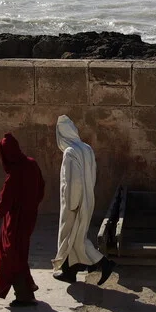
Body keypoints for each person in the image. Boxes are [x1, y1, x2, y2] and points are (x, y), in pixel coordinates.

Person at [0, 133, 46, 308]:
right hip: (29, 218)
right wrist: (31, 206)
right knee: (19, 253)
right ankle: (26, 289)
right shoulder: (32, 164)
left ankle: (24, 295)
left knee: (10, 257)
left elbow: (3, 203)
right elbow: (41, 189)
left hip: (15, 222)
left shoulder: (14, 175)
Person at [52, 115, 116, 285]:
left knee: (70, 236)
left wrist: (72, 205)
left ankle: (103, 263)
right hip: (88, 198)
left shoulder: (70, 152)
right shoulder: (86, 148)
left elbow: (73, 182)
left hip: (74, 203)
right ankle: (70, 272)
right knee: (76, 236)